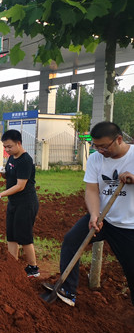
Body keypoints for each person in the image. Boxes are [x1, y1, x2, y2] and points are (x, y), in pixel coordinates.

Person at [46, 121, 134, 306]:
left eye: (104, 146)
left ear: (119, 139)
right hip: (103, 218)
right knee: (72, 240)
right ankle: (68, 290)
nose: (100, 150)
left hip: (129, 226)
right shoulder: (95, 159)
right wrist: (94, 215)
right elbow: (92, 190)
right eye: (96, 146)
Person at [0, 129, 40, 278]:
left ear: (19, 143)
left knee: (24, 237)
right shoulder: (12, 158)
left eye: (9, 146)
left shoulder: (25, 160)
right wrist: (4, 173)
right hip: (14, 203)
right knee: (11, 235)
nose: (7, 150)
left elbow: (20, 186)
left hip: (26, 203)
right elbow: (11, 177)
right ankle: (12, 265)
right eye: (5, 147)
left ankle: (33, 268)